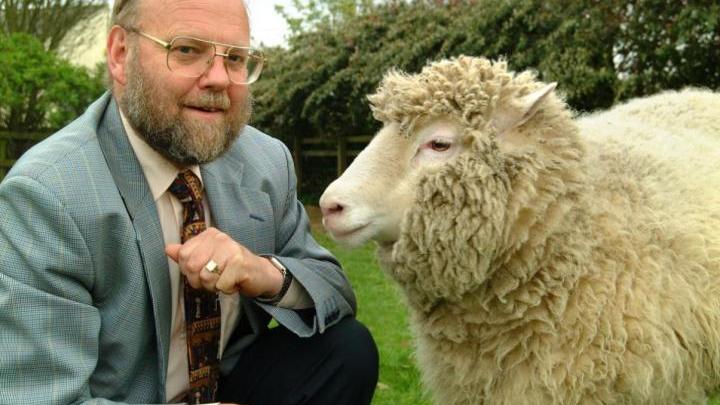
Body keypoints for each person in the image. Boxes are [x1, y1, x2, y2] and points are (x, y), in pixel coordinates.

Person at [0, 0, 379, 403]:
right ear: (120, 54)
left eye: (235, 57)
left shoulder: (266, 162)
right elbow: (41, 395)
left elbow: (335, 295)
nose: (218, 78)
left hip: (228, 381)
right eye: (186, 50)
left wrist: (263, 272)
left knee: (346, 350)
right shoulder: (47, 195)